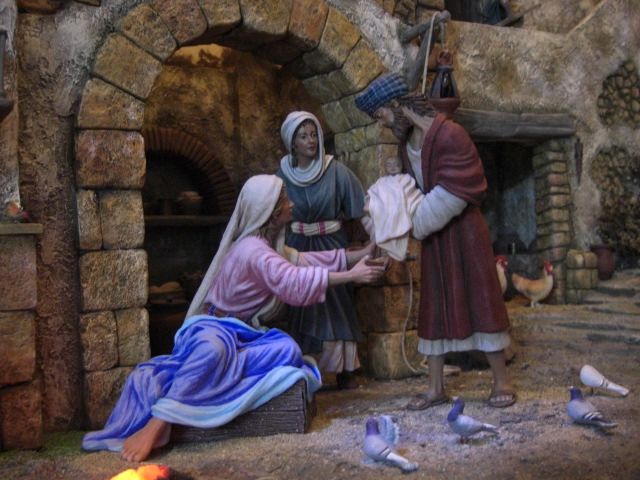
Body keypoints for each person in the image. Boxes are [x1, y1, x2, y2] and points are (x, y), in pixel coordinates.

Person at [82, 175, 388, 462]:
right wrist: (352, 276)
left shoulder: (267, 246)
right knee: (213, 351)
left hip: (241, 333)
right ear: (269, 211)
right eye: (285, 199)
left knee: (288, 350)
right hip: (212, 328)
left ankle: (224, 378)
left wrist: (364, 252)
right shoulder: (252, 250)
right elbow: (293, 280)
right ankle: (158, 423)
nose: (291, 204)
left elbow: (308, 261)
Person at [355, 74, 516, 409]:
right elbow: (411, 192)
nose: (382, 123)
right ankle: (435, 387)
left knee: (481, 299)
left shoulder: (451, 134)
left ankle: (502, 380)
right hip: (436, 239)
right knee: (434, 306)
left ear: (396, 105)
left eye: (381, 115)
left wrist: (417, 223)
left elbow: (463, 184)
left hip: (464, 232)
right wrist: (390, 195)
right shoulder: (406, 143)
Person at [276, 111, 367, 390]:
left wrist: (370, 242)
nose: (311, 141)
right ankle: (305, 369)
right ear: (292, 143)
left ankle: (345, 369)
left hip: (332, 243)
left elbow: (359, 209)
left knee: (338, 302)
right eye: (303, 136)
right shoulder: (281, 177)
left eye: (314, 134)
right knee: (302, 304)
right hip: (297, 246)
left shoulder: (335, 171)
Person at [361, 156, 424, 261]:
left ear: (401, 166)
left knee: (393, 216)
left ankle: (395, 252)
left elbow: (409, 192)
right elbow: (374, 192)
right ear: (385, 167)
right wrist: (380, 202)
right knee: (372, 214)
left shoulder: (406, 179)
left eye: (396, 165)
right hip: (382, 207)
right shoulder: (381, 181)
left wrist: (394, 201)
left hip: (399, 206)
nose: (393, 167)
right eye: (389, 165)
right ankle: (383, 252)